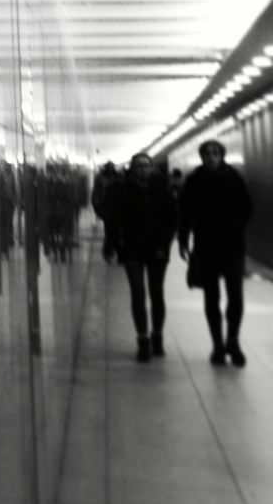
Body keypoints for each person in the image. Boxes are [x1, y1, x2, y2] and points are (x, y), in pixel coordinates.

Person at [179, 140, 253, 367]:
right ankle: (218, 345)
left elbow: (247, 207)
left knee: (236, 297)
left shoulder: (234, 178)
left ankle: (233, 340)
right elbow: (185, 211)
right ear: (201, 157)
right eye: (207, 153)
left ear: (222, 155)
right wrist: (183, 239)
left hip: (232, 246)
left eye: (215, 153)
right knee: (211, 297)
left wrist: (234, 224)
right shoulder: (194, 180)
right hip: (206, 247)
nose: (211, 157)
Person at [108, 152, 177, 361]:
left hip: (157, 248)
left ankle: (157, 336)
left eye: (146, 165)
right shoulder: (123, 190)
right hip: (132, 249)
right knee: (138, 293)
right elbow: (114, 219)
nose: (142, 169)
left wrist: (164, 244)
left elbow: (172, 220)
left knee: (156, 293)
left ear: (151, 167)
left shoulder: (162, 190)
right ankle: (143, 340)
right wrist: (111, 244)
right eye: (138, 166)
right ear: (132, 168)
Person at [92, 161, 122, 264]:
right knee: (109, 232)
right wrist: (98, 208)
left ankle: (117, 253)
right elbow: (96, 193)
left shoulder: (118, 177)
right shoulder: (100, 178)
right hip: (107, 208)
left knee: (117, 232)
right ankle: (109, 252)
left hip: (117, 208)